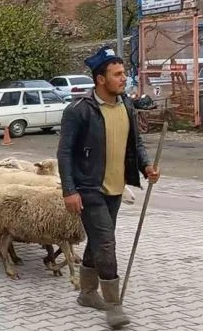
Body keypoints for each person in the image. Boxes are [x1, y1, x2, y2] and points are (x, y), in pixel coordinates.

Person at [57, 46, 160, 329]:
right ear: (100, 79)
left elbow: (134, 144)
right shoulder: (78, 111)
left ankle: (87, 293)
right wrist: (69, 190)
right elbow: (64, 153)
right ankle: (114, 305)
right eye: (117, 74)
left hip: (115, 187)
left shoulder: (126, 105)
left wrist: (146, 167)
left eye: (123, 73)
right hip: (88, 188)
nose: (123, 78)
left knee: (99, 240)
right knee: (105, 242)